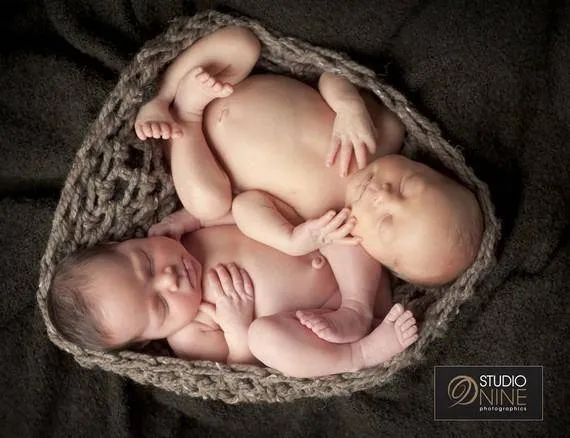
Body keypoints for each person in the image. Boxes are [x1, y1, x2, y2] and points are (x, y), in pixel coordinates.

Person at [134, 25, 483, 342]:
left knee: (207, 203)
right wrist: (349, 109)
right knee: (241, 42)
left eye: (387, 222)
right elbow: (331, 76)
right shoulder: (383, 134)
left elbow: (244, 207)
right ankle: (161, 97)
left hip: (190, 145)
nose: (383, 197)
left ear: (378, 255)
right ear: (422, 165)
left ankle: (185, 112)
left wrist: (291, 240)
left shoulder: (320, 218)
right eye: (407, 187)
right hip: (226, 84)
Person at [47, 226, 418, 378]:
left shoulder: (188, 232)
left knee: (328, 218)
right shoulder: (189, 334)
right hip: (329, 322)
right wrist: (238, 328)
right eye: (160, 306)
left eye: (146, 262)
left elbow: (240, 210)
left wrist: (188, 215)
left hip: (354, 263)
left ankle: (360, 307)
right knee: (264, 338)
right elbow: (240, 367)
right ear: (146, 340)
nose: (168, 279)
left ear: (125, 241)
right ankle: (361, 355)